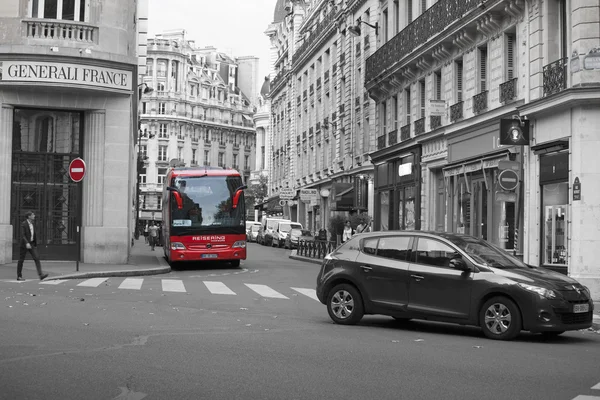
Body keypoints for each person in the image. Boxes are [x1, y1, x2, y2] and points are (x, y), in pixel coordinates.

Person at [16, 211, 48, 281]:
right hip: (24, 244)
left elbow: (33, 234)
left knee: (36, 258)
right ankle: (19, 276)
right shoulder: (24, 224)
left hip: (32, 244)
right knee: (21, 260)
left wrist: (34, 243)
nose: (34, 216)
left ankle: (41, 275)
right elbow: (23, 235)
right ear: (29, 216)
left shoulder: (32, 224)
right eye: (33, 215)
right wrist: (27, 243)